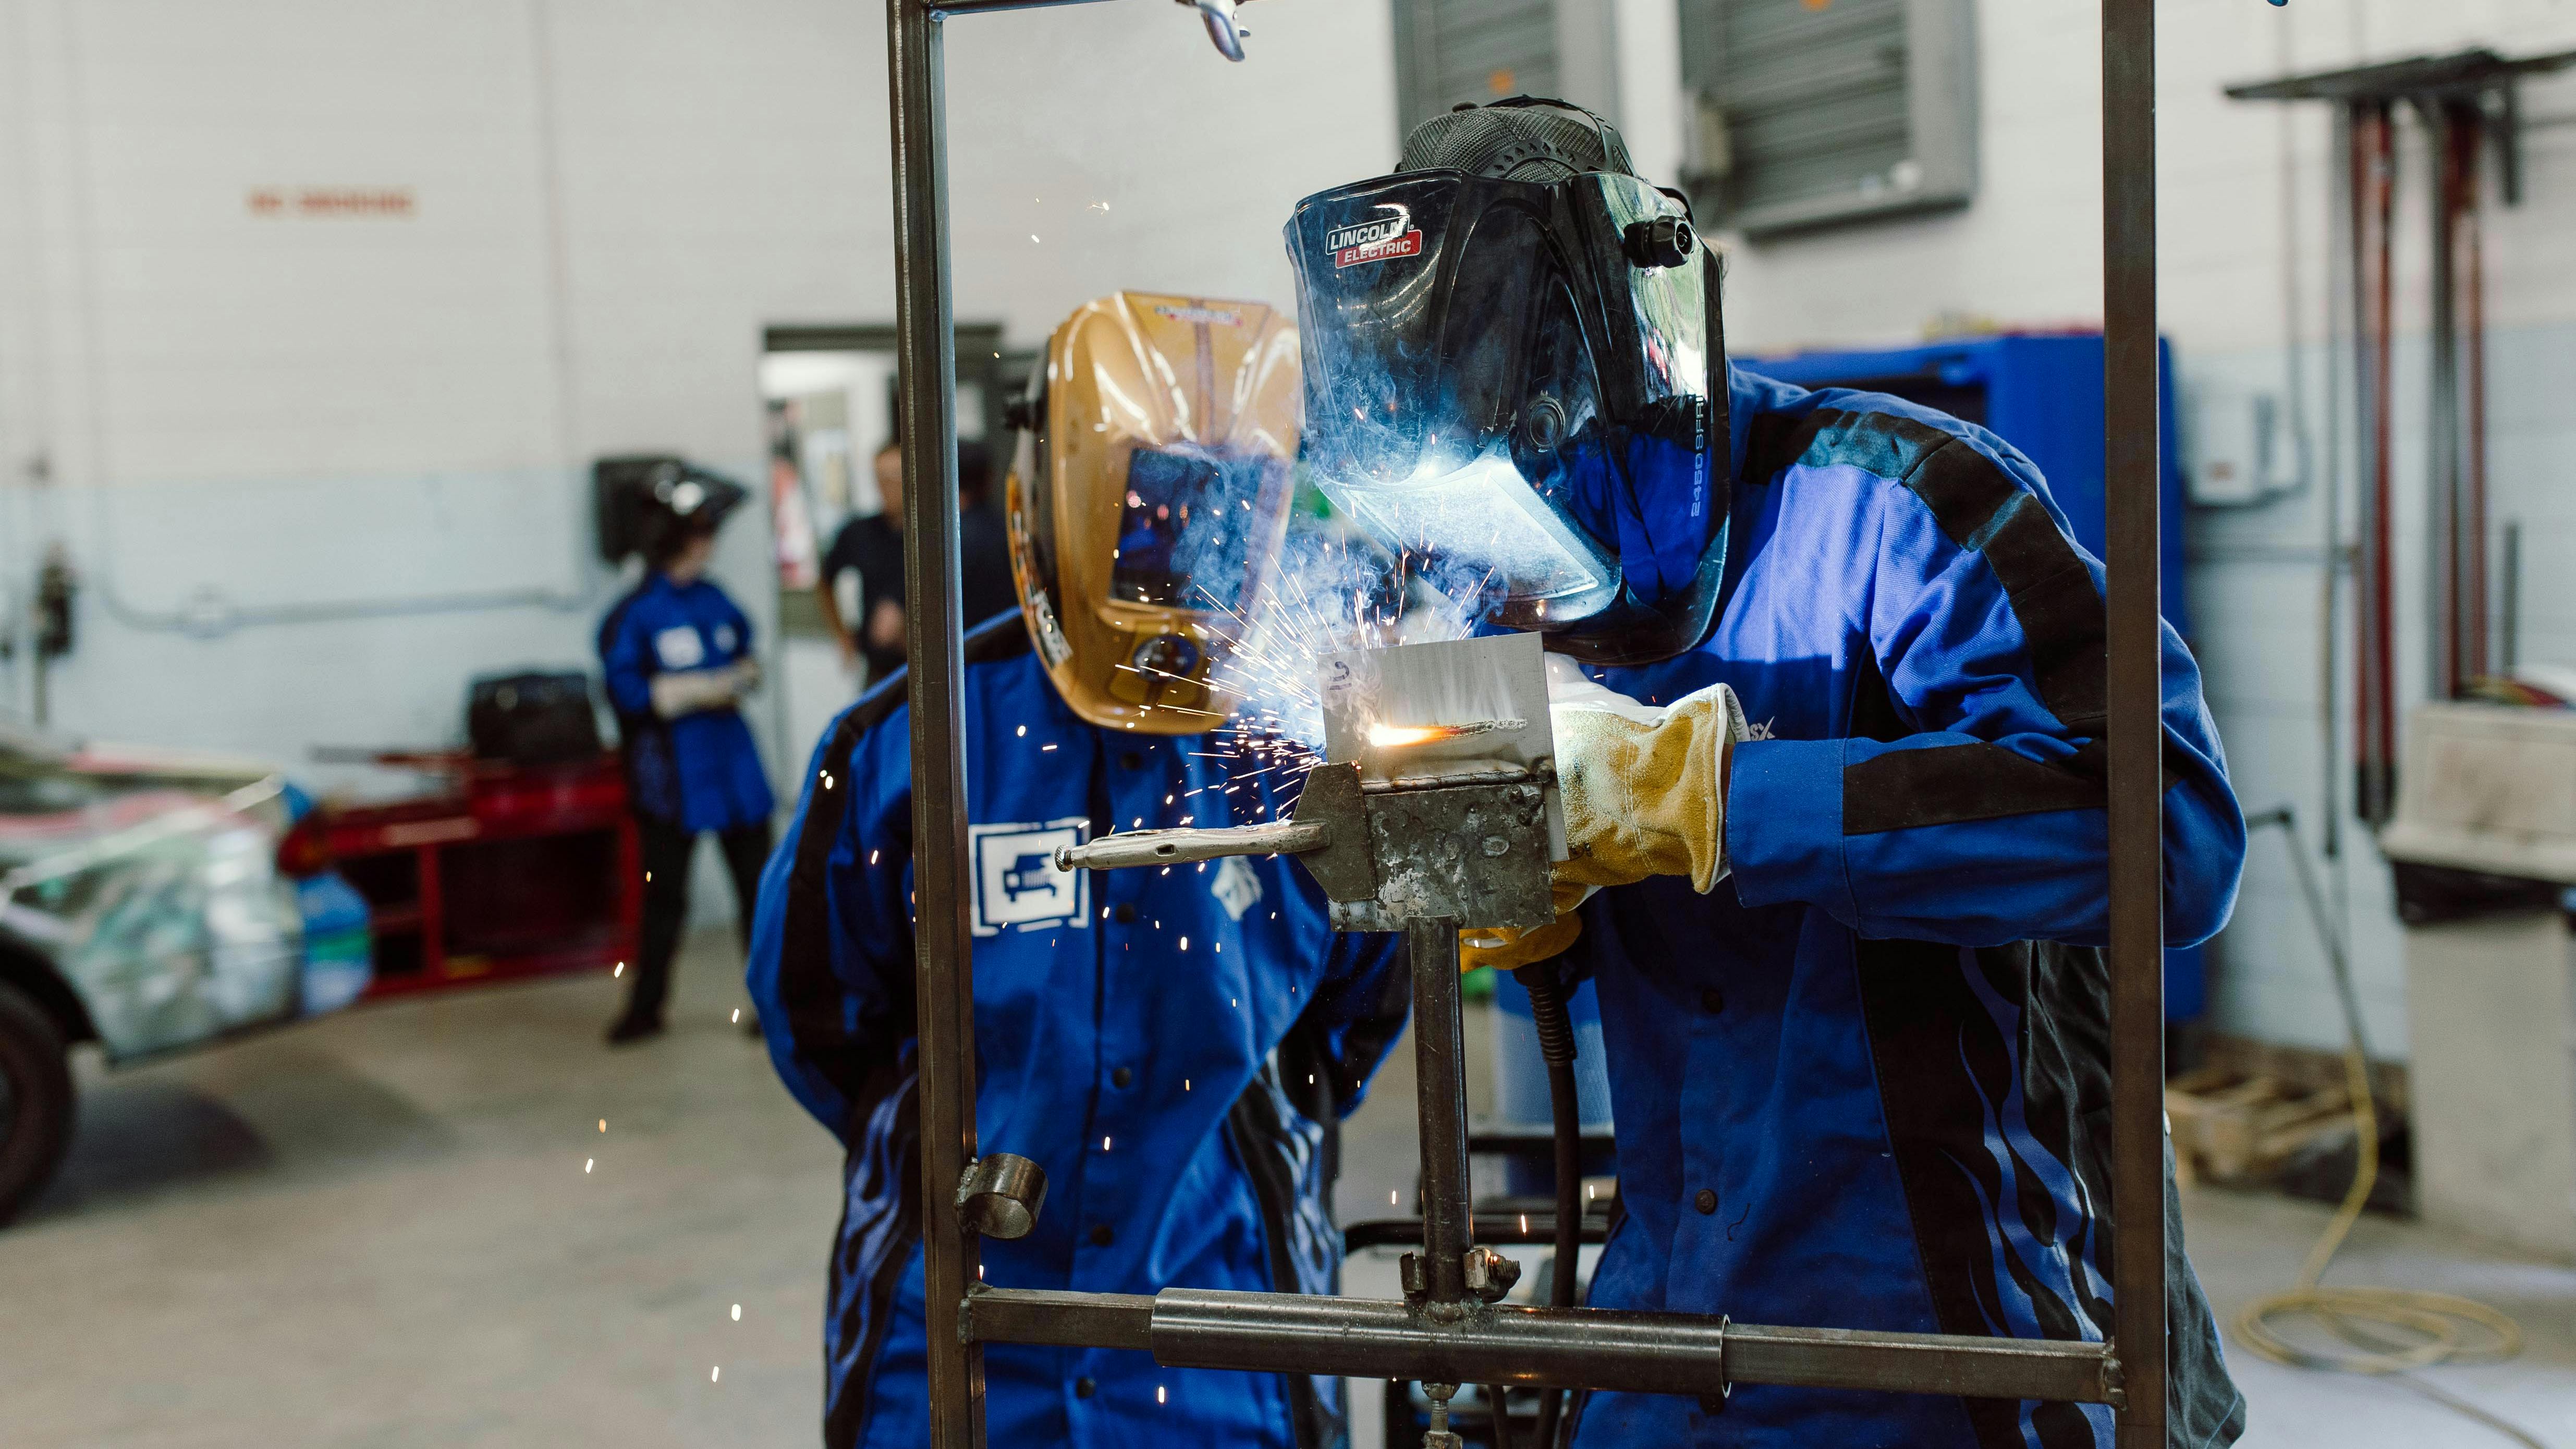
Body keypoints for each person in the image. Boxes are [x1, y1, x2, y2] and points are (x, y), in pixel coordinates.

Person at [1286, 99, 2250, 1448]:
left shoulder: (1903, 504)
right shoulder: (1468, 569)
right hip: (1666, 1347)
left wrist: (1713, 802)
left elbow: (2165, 840)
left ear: (1631, 359)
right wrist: (1505, 903)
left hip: (1960, 1353)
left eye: (1534, 476)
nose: (1508, 556)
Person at [746, 291, 1409, 1449]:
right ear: (1054, 492)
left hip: (1229, 1322)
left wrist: (1253, 1129)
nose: (1175, 542)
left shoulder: (1309, 746)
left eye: (1216, 507)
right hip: (951, 1332)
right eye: (1149, 506)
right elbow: (814, 1012)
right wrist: (940, 1126)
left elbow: (1367, 993)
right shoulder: (908, 746)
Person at [597, 462, 777, 1044]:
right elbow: (628, 693)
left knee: (761, 893)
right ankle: (646, 1008)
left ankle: (773, 1007)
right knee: (663, 902)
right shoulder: (634, 614)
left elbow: (750, 659)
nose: (710, 544)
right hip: (671, 784)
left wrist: (734, 678)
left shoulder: (716, 598)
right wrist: (700, 688)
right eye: (700, 533)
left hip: (735, 775)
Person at [816, 436, 1018, 684]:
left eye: (894, 477)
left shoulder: (942, 534)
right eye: (881, 478)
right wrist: (844, 637)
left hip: (945, 673)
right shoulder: (860, 533)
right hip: (885, 674)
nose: (887, 486)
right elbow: (827, 580)